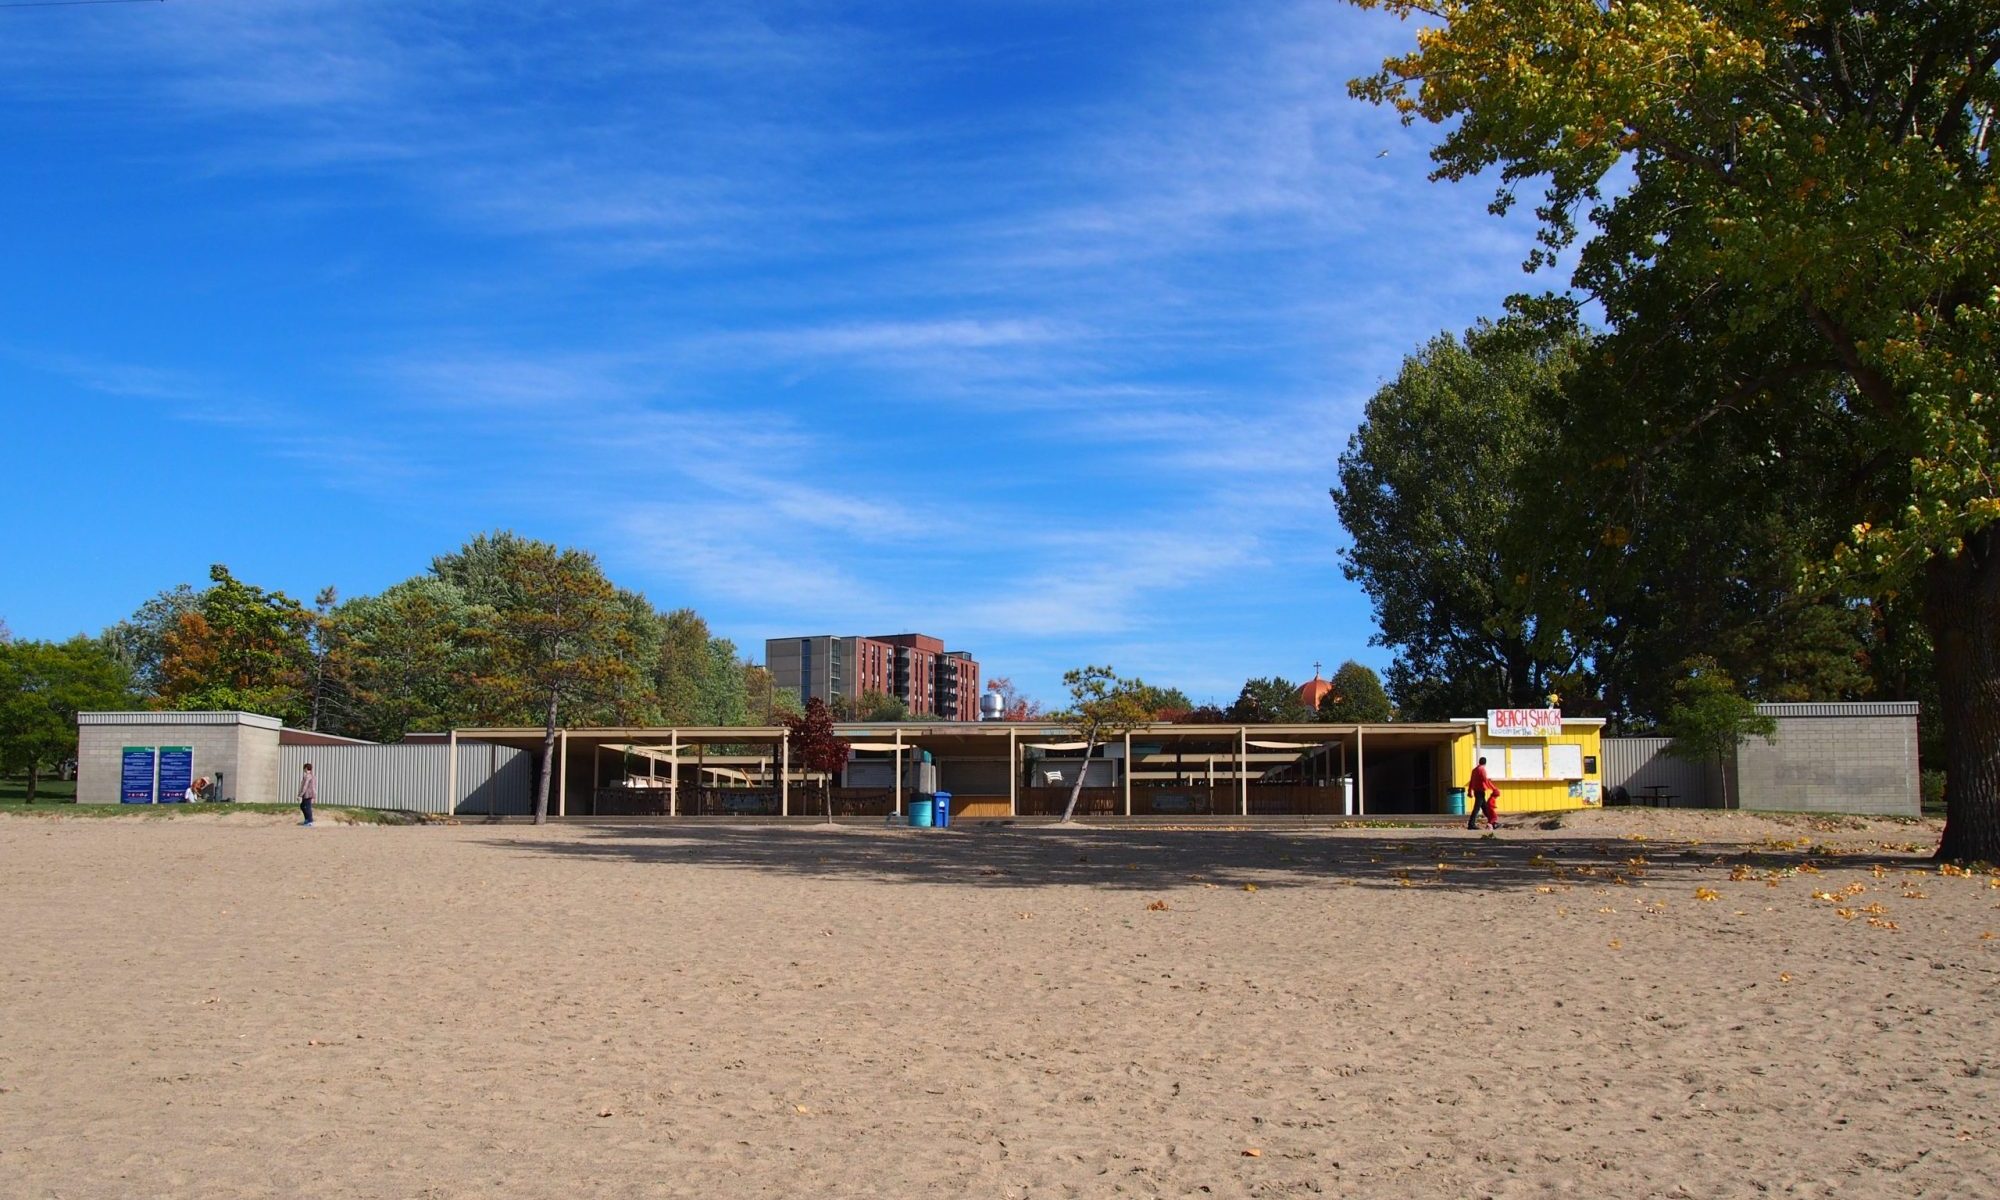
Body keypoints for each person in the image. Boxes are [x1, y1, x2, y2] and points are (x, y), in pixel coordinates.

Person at [1465, 756, 1499, 830]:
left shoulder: (1474, 770)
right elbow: (1485, 780)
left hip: (1476, 791)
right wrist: (1493, 788)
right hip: (1480, 791)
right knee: (1476, 808)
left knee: (1485, 808)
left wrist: (1469, 791)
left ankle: (1492, 823)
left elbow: (1471, 781)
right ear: (1485, 763)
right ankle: (1471, 824)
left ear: (1479, 762)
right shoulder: (1482, 769)